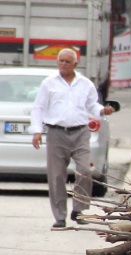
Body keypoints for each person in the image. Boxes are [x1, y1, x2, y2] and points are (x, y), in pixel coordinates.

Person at [30, 48, 116, 230]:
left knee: (85, 170)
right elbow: (38, 108)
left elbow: (92, 105)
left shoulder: (85, 84)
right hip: (56, 133)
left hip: (80, 133)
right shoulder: (49, 84)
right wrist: (37, 131)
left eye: (67, 61)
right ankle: (60, 216)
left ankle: (79, 209)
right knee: (56, 176)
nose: (63, 64)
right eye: (61, 61)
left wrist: (102, 110)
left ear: (75, 64)